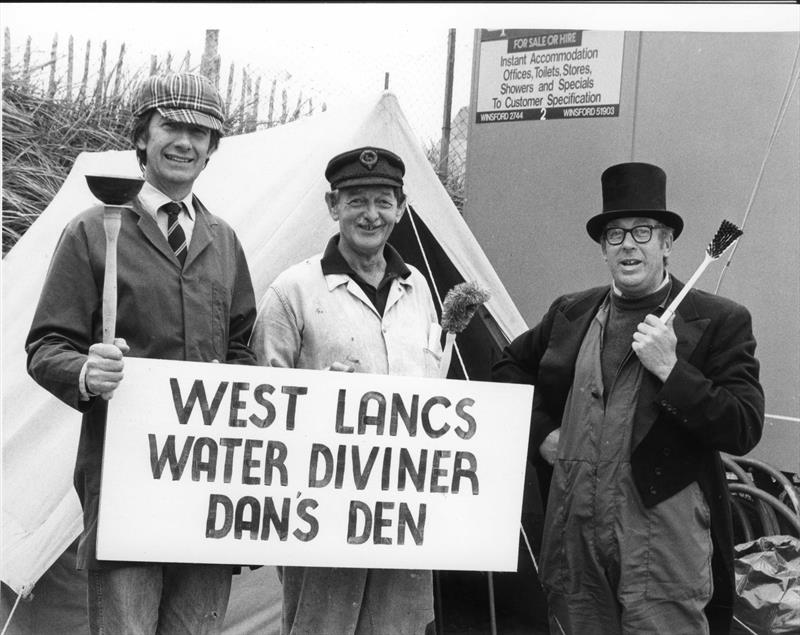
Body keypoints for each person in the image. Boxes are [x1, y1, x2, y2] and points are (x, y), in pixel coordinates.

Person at [26, 72, 258, 634]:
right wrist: (86, 371)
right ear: (142, 138)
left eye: (201, 133)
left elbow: (243, 344)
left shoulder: (223, 240)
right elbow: (46, 346)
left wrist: (240, 387)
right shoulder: (92, 230)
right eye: (171, 126)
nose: (186, 141)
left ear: (211, 151)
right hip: (125, 475)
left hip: (207, 481)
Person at [492, 162, 764, 635]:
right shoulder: (570, 313)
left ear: (666, 243)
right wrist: (542, 434)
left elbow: (743, 425)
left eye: (643, 231)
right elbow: (506, 370)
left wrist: (671, 369)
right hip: (574, 538)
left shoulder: (718, 320)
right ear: (602, 249)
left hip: (662, 551)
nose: (629, 244)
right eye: (614, 234)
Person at [250, 146, 440, 634]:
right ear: (332, 206)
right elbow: (257, 406)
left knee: (400, 627)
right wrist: (315, 395)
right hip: (321, 513)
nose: (370, 215)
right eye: (356, 201)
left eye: (382, 201)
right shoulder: (292, 291)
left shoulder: (419, 289)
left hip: (403, 509)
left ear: (401, 207)